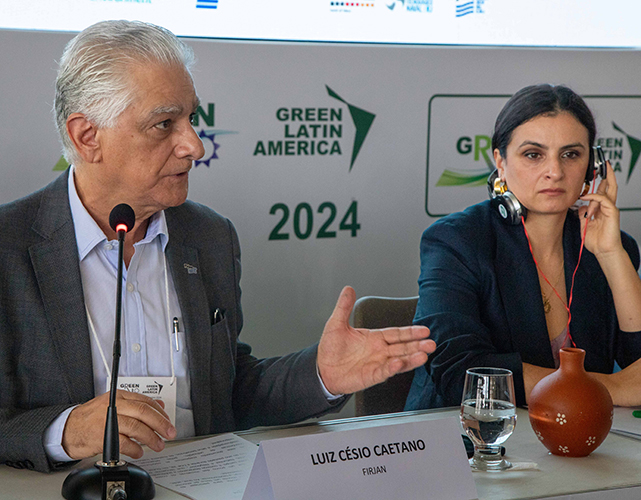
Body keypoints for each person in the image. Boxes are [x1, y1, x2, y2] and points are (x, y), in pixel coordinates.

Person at [0, 20, 436, 473]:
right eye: (164, 124)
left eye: (192, 119)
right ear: (87, 137)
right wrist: (64, 430)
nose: (193, 145)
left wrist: (321, 374)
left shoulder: (208, 237)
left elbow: (229, 395)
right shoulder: (9, 247)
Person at [405, 84, 641, 411]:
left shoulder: (613, 245)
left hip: (581, 445)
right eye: (533, 155)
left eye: (571, 154)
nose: (554, 172)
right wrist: (610, 388)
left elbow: (638, 366)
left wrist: (611, 255)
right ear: (500, 161)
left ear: (593, 166)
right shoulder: (456, 242)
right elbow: (462, 376)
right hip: (471, 443)